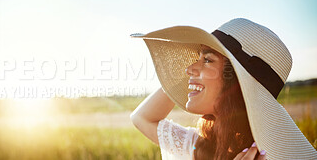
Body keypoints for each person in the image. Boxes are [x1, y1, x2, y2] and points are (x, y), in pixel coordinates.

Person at [130, 18, 317, 159]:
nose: (187, 69)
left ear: (236, 83)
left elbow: (143, 118)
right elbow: (141, 118)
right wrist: (195, 74)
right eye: (197, 59)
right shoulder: (197, 146)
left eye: (208, 59)